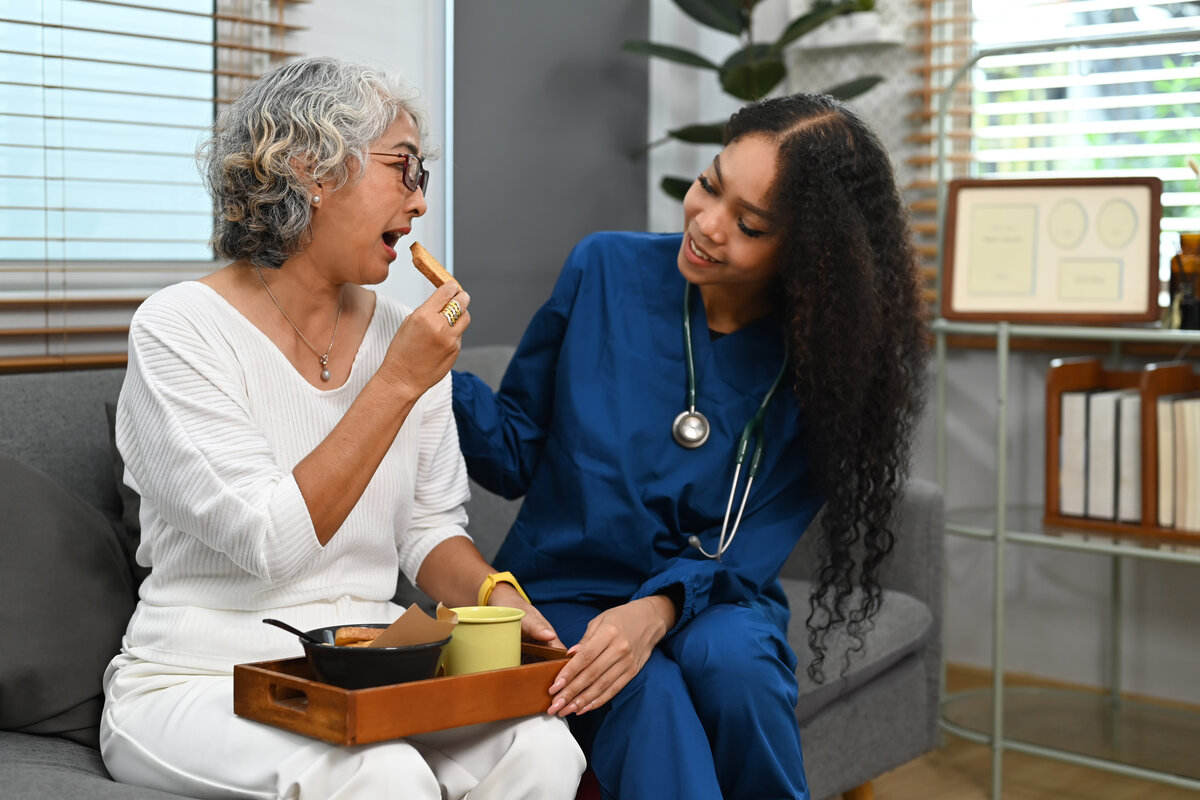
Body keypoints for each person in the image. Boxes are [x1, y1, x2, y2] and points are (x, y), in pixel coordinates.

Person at [99, 57, 585, 800]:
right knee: (379, 774)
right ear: (311, 171)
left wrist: (496, 593)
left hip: (377, 668)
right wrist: (397, 380)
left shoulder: (401, 330)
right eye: (403, 169)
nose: (420, 204)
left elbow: (426, 527)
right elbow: (270, 540)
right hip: (204, 675)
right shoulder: (178, 330)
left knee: (546, 750)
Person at [451, 92, 928, 800]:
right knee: (650, 686)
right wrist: (434, 376)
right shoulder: (603, 270)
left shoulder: (824, 368)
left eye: (750, 223)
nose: (707, 224)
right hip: (565, 587)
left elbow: (749, 548)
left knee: (736, 664)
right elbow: (515, 451)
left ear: (806, 256)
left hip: (715, 595)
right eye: (709, 184)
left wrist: (657, 609)